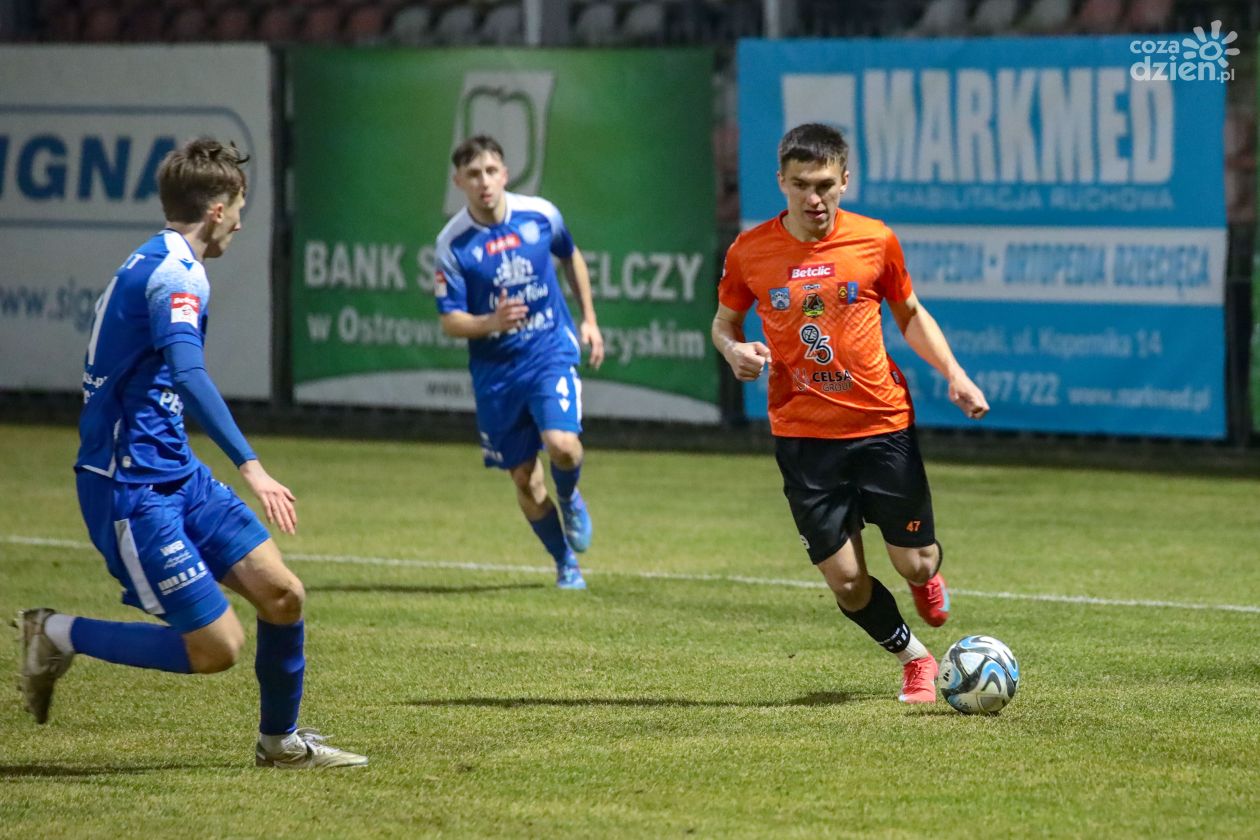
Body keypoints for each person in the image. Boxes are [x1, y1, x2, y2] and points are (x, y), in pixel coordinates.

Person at [15, 137, 367, 767]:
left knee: (283, 596)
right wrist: (252, 466)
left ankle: (279, 744)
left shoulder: (159, 261)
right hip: (132, 489)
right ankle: (54, 632)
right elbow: (188, 372)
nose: (240, 222)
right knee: (216, 648)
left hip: (179, 473)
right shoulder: (175, 273)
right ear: (216, 209)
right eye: (239, 208)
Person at [712, 123, 990, 704]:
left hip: (882, 426)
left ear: (845, 180)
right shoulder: (749, 251)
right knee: (845, 581)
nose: (813, 198)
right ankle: (915, 660)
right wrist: (734, 351)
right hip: (803, 436)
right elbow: (724, 323)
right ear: (781, 182)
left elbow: (910, 313)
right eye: (800, 185)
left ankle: (925, 577)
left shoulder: (875, 240)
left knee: (915, 564)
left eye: (824, 185)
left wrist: (955, 374)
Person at [434, 135, 604, 590]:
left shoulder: (540, 215)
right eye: (473, 174)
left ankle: (569, 496)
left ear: (505, 174)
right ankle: (564, 561)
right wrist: (491, 322)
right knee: (526, 481)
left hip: (548, 351)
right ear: (459, 182)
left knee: (564, 446)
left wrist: (589, 320)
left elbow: (570, 256)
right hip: (497, 373)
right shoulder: (453, 244)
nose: (484, 182)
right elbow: (450, 320)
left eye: (491, 171)